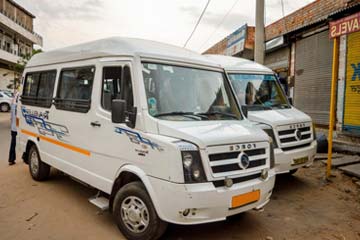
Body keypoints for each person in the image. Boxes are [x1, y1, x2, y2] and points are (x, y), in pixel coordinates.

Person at [8, 91, 19, 166]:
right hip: (17, 127)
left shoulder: (12, 104)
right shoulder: (18, 106)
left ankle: (11, 159)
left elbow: (11, 118)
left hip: (13, 127)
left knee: (13, 144)